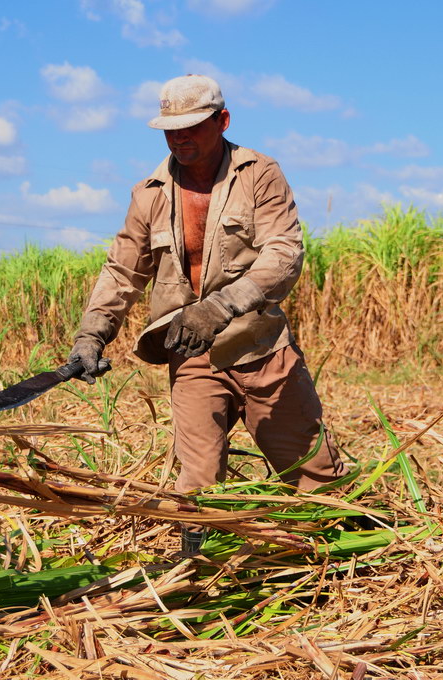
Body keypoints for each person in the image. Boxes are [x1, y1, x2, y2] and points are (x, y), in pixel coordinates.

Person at [68, 75, 344, 548]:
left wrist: (220, 306)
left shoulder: (259, 174)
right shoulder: (150, 193)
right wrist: (92, 334)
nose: (180, 138)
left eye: (193, 126)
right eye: (170, 130)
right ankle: (200, 576)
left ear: (222, 120)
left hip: (261, 349)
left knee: (313, 473)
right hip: (191, 352)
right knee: (196, 486)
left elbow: (284, 252)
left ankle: (341, 563)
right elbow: (122, 270)